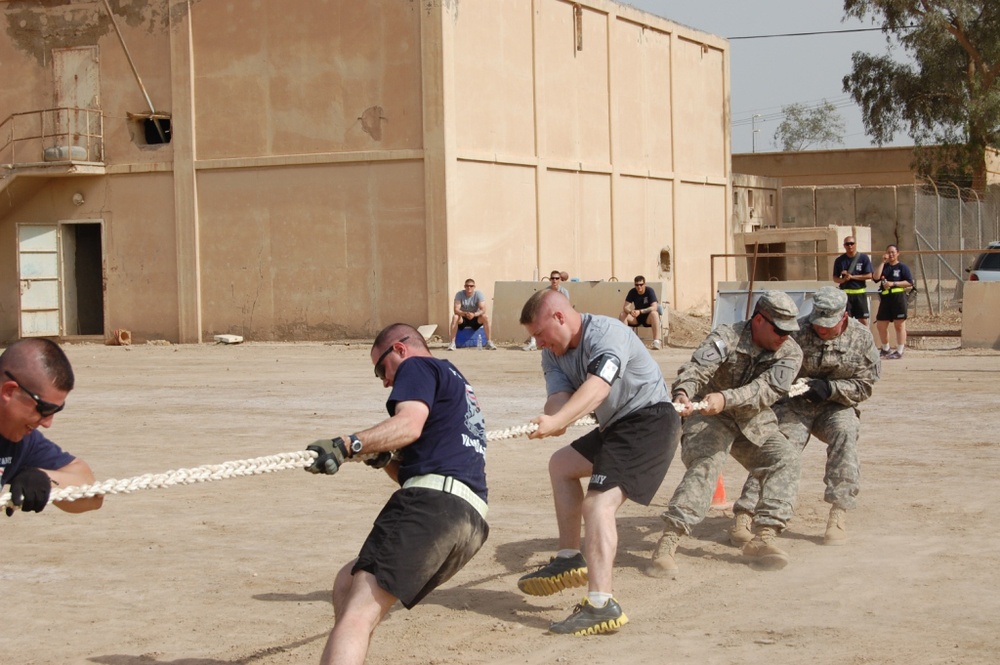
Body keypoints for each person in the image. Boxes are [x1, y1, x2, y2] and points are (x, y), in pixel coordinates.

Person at [305, 324, 489, 665]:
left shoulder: (417, 366)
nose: (386, 382)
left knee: (358, 615)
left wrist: (347, 445)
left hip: (434, 508)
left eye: (382, 370)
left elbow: (409, 424)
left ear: (401, 350)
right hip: (468, 521)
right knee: (348, 582)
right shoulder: (454, 379)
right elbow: (418, 469)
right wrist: (382, 458)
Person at [516, 290, 681, 635]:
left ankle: (601, 605)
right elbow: (559, 401)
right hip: (616, 426)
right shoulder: (553, 355)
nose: (539, 343)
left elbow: (598, 387)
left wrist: (559, 420)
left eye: (540, 335)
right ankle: (568, 558)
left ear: (559, 318)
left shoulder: (606, 333)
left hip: (649, 421)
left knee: (598, 505)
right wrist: (551, 420)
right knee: (561, 465)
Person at [646, 290, 803, 577]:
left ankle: (764, 536)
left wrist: (726, 399)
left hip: (752, 419)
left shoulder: (790, 352)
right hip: (708, 417)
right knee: (707, 464)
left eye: (790, 330)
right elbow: (697, 368)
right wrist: (683, 393)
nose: (785, 336)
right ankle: (669, 541)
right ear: (758, 320)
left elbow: (766, 390)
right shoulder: (726, 336)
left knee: (785, 460)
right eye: (779, 329)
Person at [729, 287, 880, 548]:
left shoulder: (862, 339)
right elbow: (770, 368)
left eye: (828, 325)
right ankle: (745, 514)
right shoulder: (795, 332)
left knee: (845, 433)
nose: (820, 329)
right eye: (817, 323)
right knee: (777, 448)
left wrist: (831, 389)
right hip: (795, 405)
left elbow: (864, 386)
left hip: (835, 406)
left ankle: (838, 514)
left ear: (844, 317)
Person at [1, 338, 103, 516]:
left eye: (57, 410)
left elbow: (92, 494)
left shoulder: (21, 440)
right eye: (44, 409)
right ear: (9, 392)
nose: (48, 423)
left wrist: (45, 479)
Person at [872, 245, 914, 360]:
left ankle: (899, 350)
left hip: (898, 298)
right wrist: (882, 262)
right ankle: (885, 349)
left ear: (898, 253)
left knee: (899, 325)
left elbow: (909, 282)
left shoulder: (902, 267)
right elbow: (875, 277)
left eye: (893, 252)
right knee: (881, 324)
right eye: (888, 252)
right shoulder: (884, 267)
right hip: (886, 299)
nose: (891, 255)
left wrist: (893, 283)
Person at [833, 235, 874, 326]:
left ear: (855, 244)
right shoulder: (840, 260)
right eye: (847, 244)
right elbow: (835, 278)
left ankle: (865, 338)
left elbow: (869, 275)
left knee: (863, 320)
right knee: (846, 320)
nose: (850, 246)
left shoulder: (863, 258)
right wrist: (843, 280)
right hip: (845, 295)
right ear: (844, 246)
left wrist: (852, 277)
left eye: (852, 243)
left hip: (860, 294)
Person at [523, 271, 569, 351]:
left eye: (556, 278)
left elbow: (566, 306)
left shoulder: (564, 292)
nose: (554, 280)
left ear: (560, 280)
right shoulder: (546, 291)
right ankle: (533, 343)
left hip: (559, 315)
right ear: (550, 280)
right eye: (552, 278)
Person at [449, 278, 497, 350]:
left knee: (485, 317)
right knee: (455, 317)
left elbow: (483, 309)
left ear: (474, 287)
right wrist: (465, 314)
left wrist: (474, 314)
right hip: (463, 318)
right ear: (464, 286)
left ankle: (489, 342)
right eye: (467, 286)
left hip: (475, 318)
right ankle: (452, 343)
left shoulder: (478, 294)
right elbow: (456, 309)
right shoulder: (459, 294)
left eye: (471, 286)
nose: (469, 287)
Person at [618, 276, 663, 350]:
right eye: (636, 285)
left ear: (644, 284)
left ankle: (656, 341)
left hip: (648, 317)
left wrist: (640, 311)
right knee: (622, 314)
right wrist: (630, 311)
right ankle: (625, 341)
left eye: (641, 284)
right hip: (636, 317)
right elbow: (625, 307)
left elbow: (654, 307)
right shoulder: (632, 292)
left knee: (654, 313)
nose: (639, 287)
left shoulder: (649, 291)